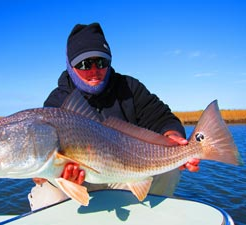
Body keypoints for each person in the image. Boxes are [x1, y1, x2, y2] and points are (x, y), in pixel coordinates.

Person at [28, 22, 200, 210]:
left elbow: (161, 117)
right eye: (84, 64)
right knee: (47, 198)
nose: (94, 70)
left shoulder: (129, 87)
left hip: (124, 174)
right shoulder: (57, 102)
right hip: (80, 181)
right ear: (70, 65)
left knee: (170, 170)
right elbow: (39, 164)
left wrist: (173, 135)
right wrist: (47, 174)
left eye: (101, 62)